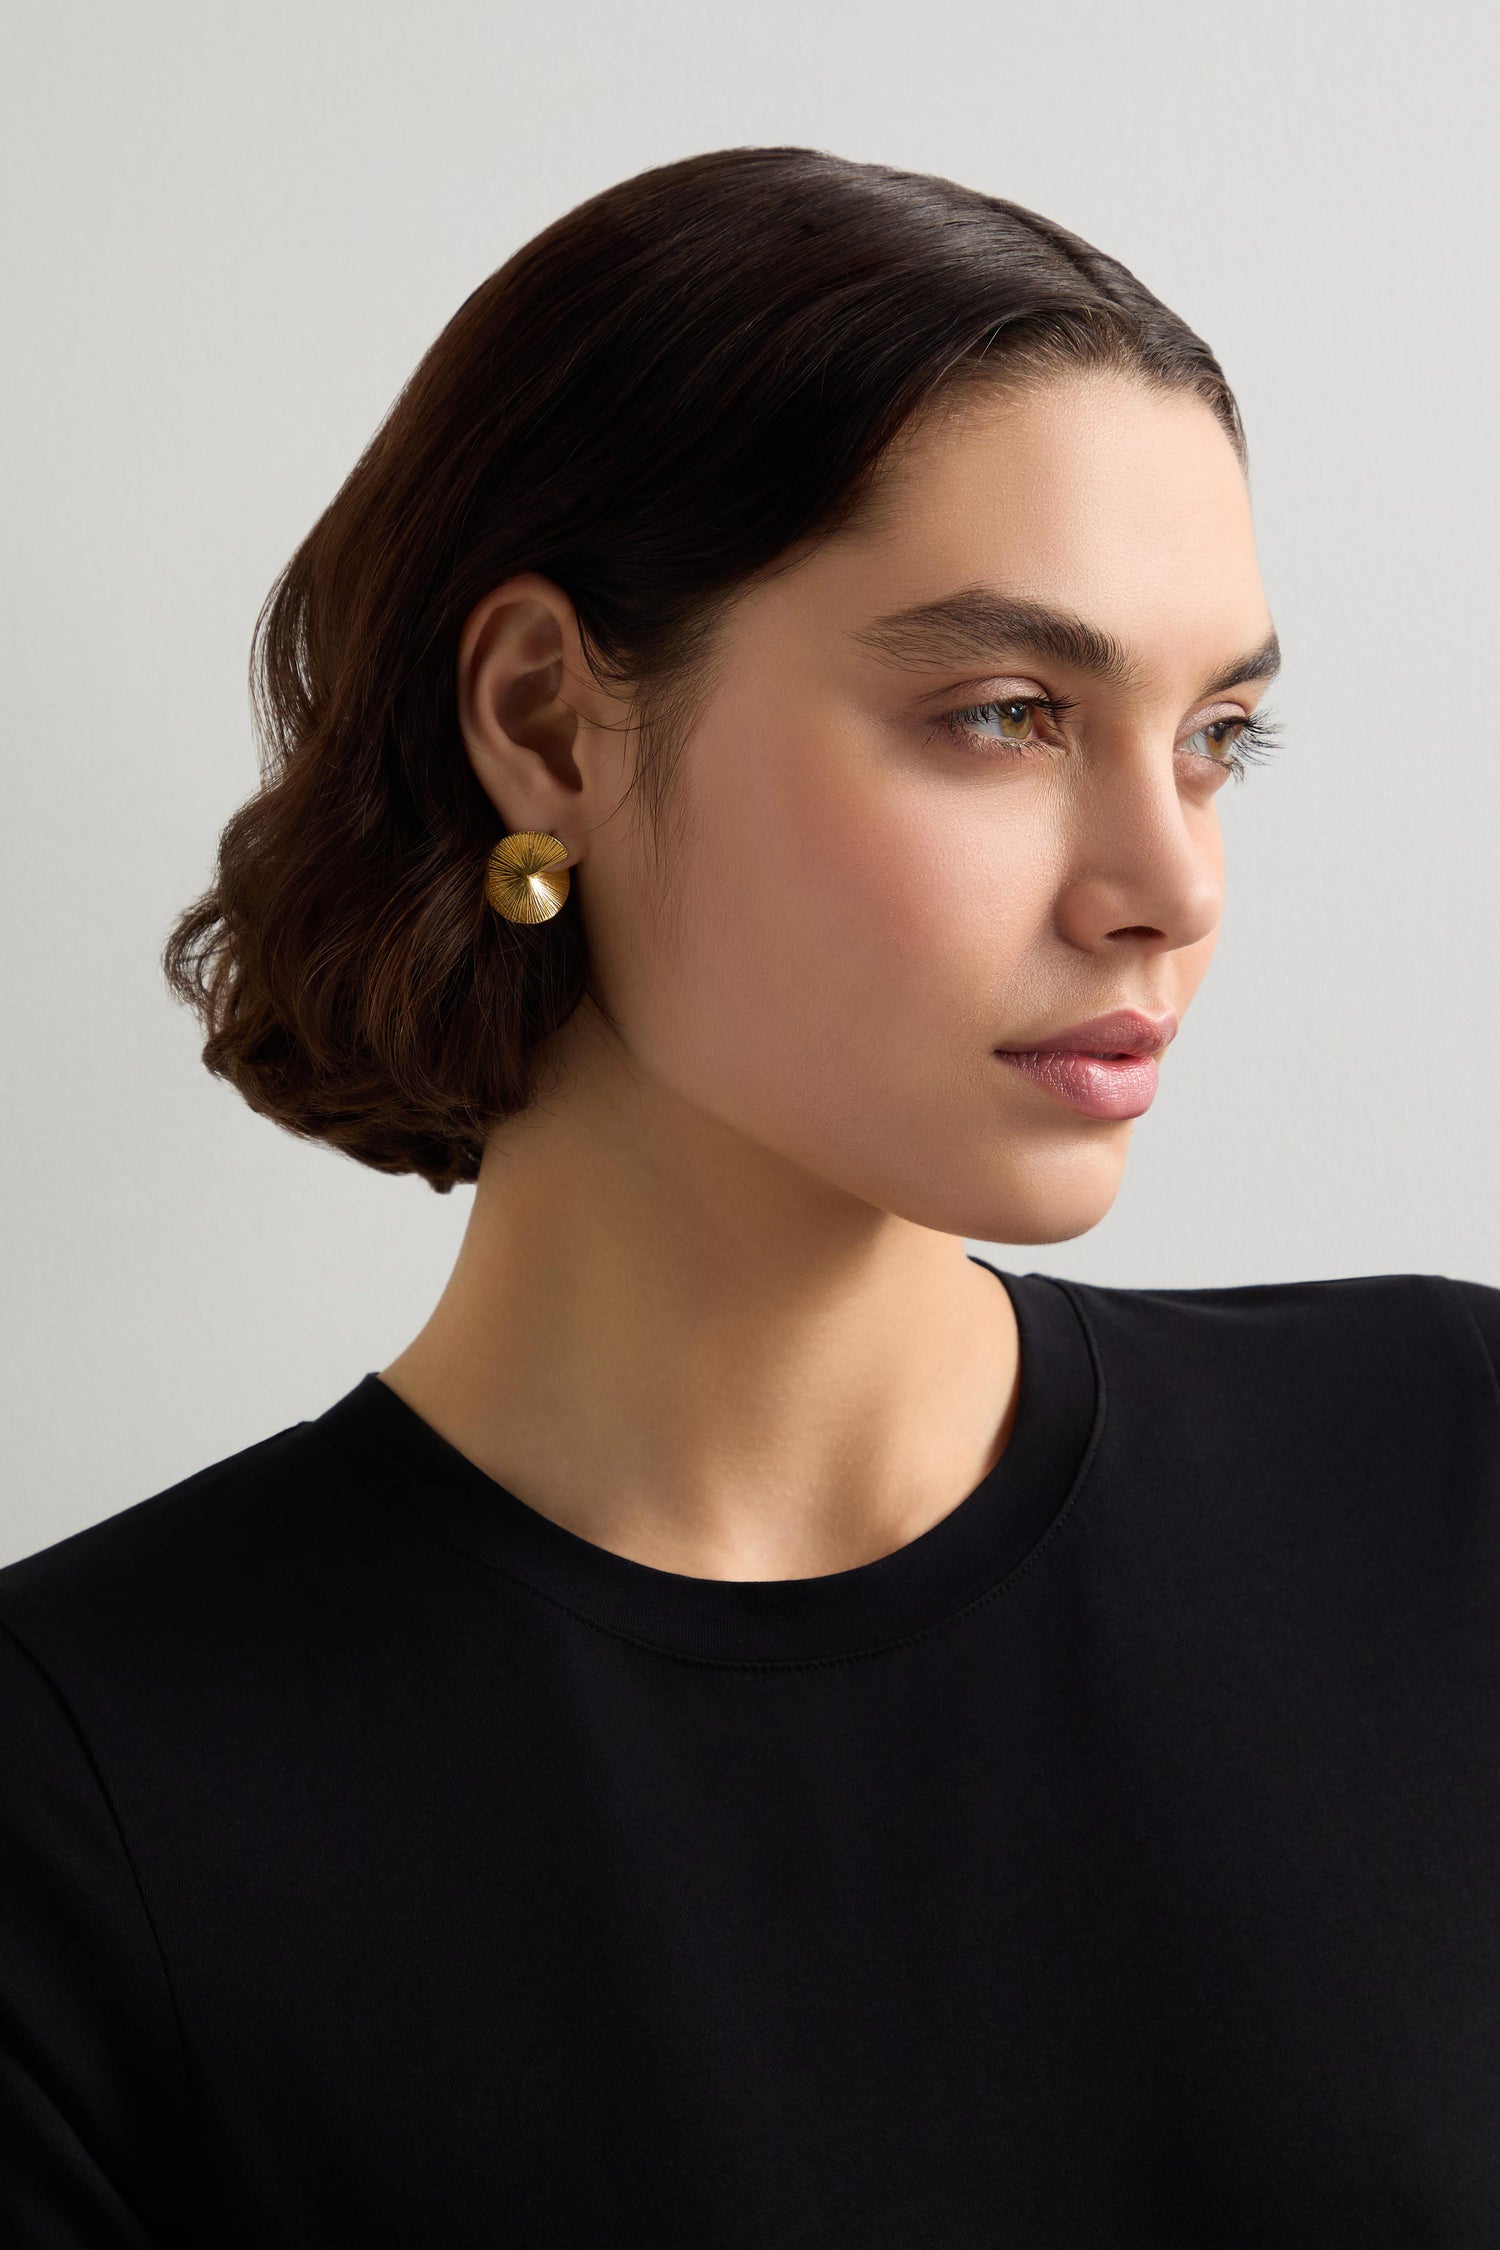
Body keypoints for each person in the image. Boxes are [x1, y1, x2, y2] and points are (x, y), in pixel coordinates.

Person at [2, 144, 1497, 2248]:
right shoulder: (82, 1797)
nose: (1170, 890)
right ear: (546, 725)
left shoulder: (1446, 1479)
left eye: (1217, 736)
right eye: (1004, 714)